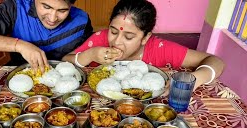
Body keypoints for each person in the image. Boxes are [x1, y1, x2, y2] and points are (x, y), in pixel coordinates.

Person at [62, 0, 225, 90]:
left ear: (146, 37)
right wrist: (89, 55)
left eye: (129, 36)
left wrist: (196, 78)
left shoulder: (159, 49)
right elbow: (65, 60)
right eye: (113, 31)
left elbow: (216, 61)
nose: (116, 41)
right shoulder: (99, 39)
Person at [0, 0, 93, 72]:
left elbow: (82, 53)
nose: (52, 18)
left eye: (62, 10)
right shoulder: (15, 8)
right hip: (22, 80)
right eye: (46, 7)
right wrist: (19, 45)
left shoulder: (82, 20)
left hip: (65, 82)